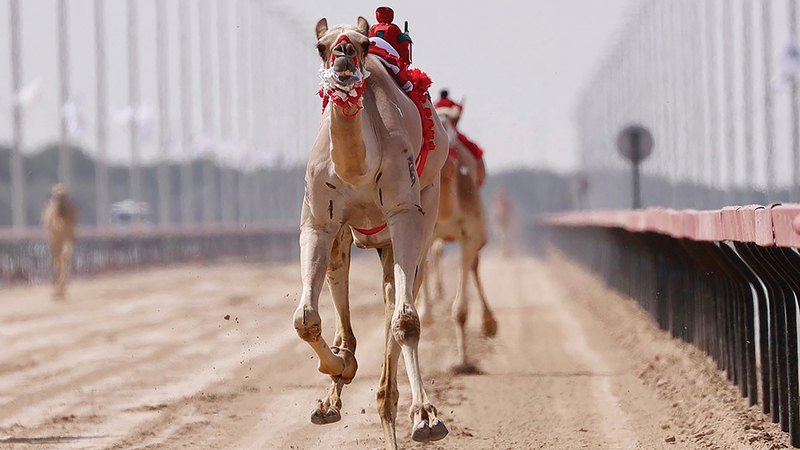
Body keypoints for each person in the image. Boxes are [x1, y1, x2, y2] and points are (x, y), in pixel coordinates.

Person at [434, 90, 487, 186]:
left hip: (440, 132)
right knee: (474, 149)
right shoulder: (451, 105)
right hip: (452, 132)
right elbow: (457, 114)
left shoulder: (436, 105)